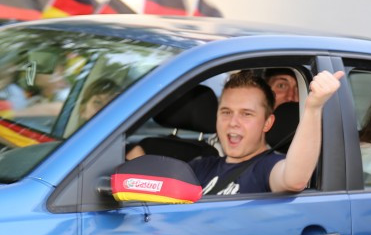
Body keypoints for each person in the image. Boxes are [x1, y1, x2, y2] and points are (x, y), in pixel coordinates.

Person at [128, 68, 343, 195]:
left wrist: (314, 108)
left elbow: (294, 178)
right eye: (226, 112)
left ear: (267, 123)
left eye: (247, 114)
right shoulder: (201, 166)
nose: (233, 122)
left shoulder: (266, 167)